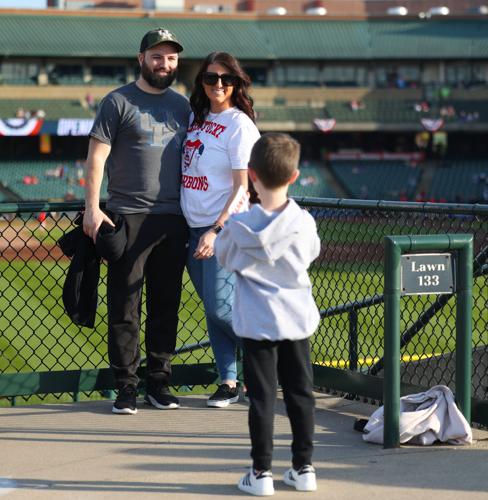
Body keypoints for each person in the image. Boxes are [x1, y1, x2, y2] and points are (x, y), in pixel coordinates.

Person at [83, 28, 191, 415]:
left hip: (172, 217)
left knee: (166, 304)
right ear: (141, 58)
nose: (165, 64)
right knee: (125, 306)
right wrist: (93, 208)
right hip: (127, 215)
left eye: (172, 58)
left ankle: (159, 383)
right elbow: (97, 157)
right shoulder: (117, 102)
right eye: (158, 56)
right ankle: (126, 386)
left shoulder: (183, 106)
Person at [214, 133, 320, 496]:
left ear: (253, 175)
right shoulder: (304, 222)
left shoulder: (239, 226)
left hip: (257, 323)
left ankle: (261, 474)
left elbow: (225, 258)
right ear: (294, 176)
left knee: (262, 399)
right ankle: (303, 468)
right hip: (295, 319)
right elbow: (310, 254)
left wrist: (237, 221)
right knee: (300, 394)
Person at [180, 52, 260, 408]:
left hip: (223, 228)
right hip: (192, 227)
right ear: (201, 81)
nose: (218, 85)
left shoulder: (238, 124)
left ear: (236, 84)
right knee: (213, 309)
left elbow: (242, 187)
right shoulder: (196, 120)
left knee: (221, 308)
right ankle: (229, 380)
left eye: (226, 80)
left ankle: (274, 362)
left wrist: (216, 229)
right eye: (211, 78)